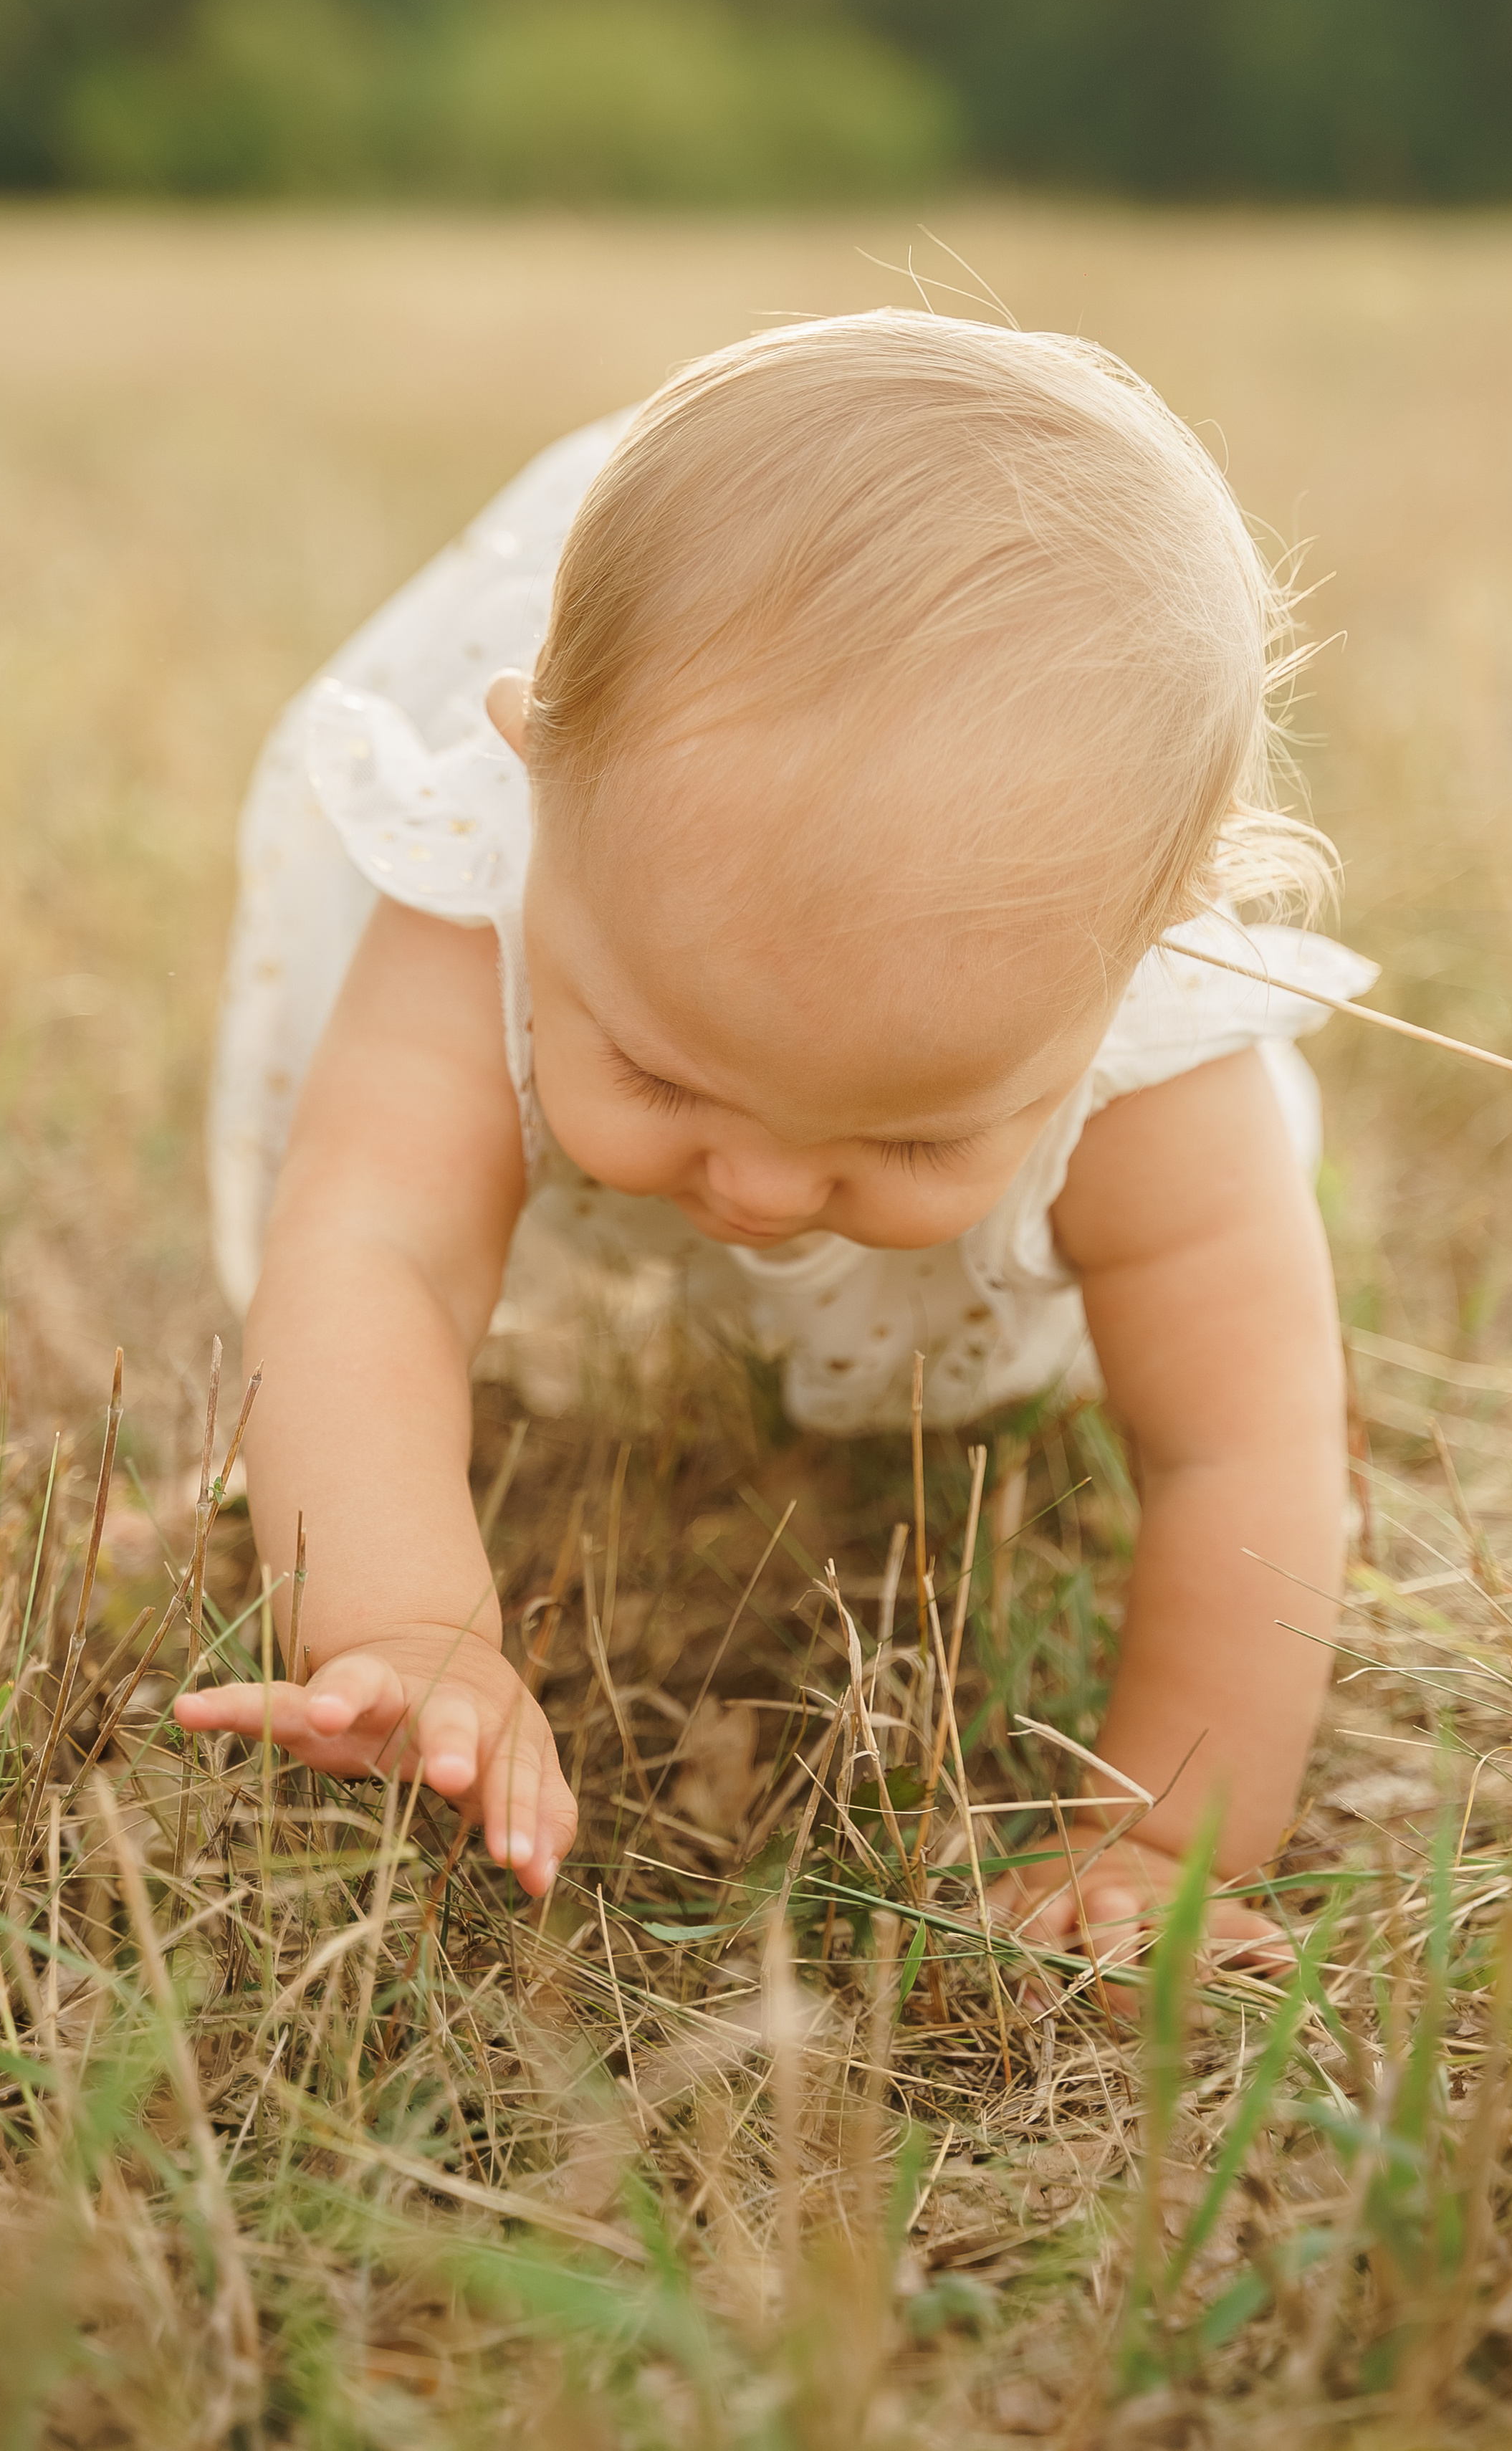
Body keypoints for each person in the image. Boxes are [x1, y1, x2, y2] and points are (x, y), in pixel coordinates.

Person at [178, 311, 1372, 1972]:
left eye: (906, 1134)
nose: (756, 1194)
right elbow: (373, 1247)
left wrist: (1169, 1832)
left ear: (1137, 970)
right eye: (662, 1081)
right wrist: (399, 1622)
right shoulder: (496, 879)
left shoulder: (1166, 1069)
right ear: (540, 788)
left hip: (1028, 1313)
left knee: (1155, 1344)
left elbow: (1243, 1456)